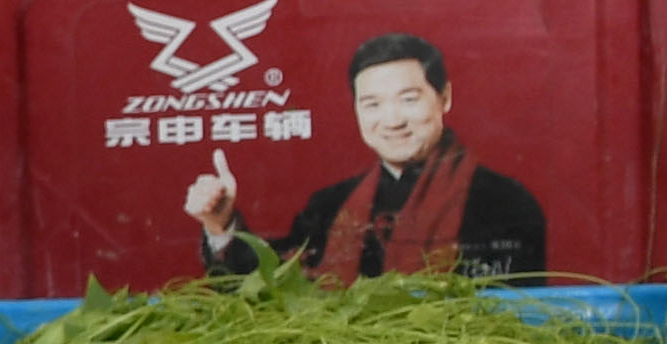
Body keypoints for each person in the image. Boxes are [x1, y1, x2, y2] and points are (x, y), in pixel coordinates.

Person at [184, 32, 547, 278]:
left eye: (409, 99)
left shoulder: (506, 204)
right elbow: (272, 289)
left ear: (445, 98)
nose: (392, 121)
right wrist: (221, 225)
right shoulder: (329, 207)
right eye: (372, 104)